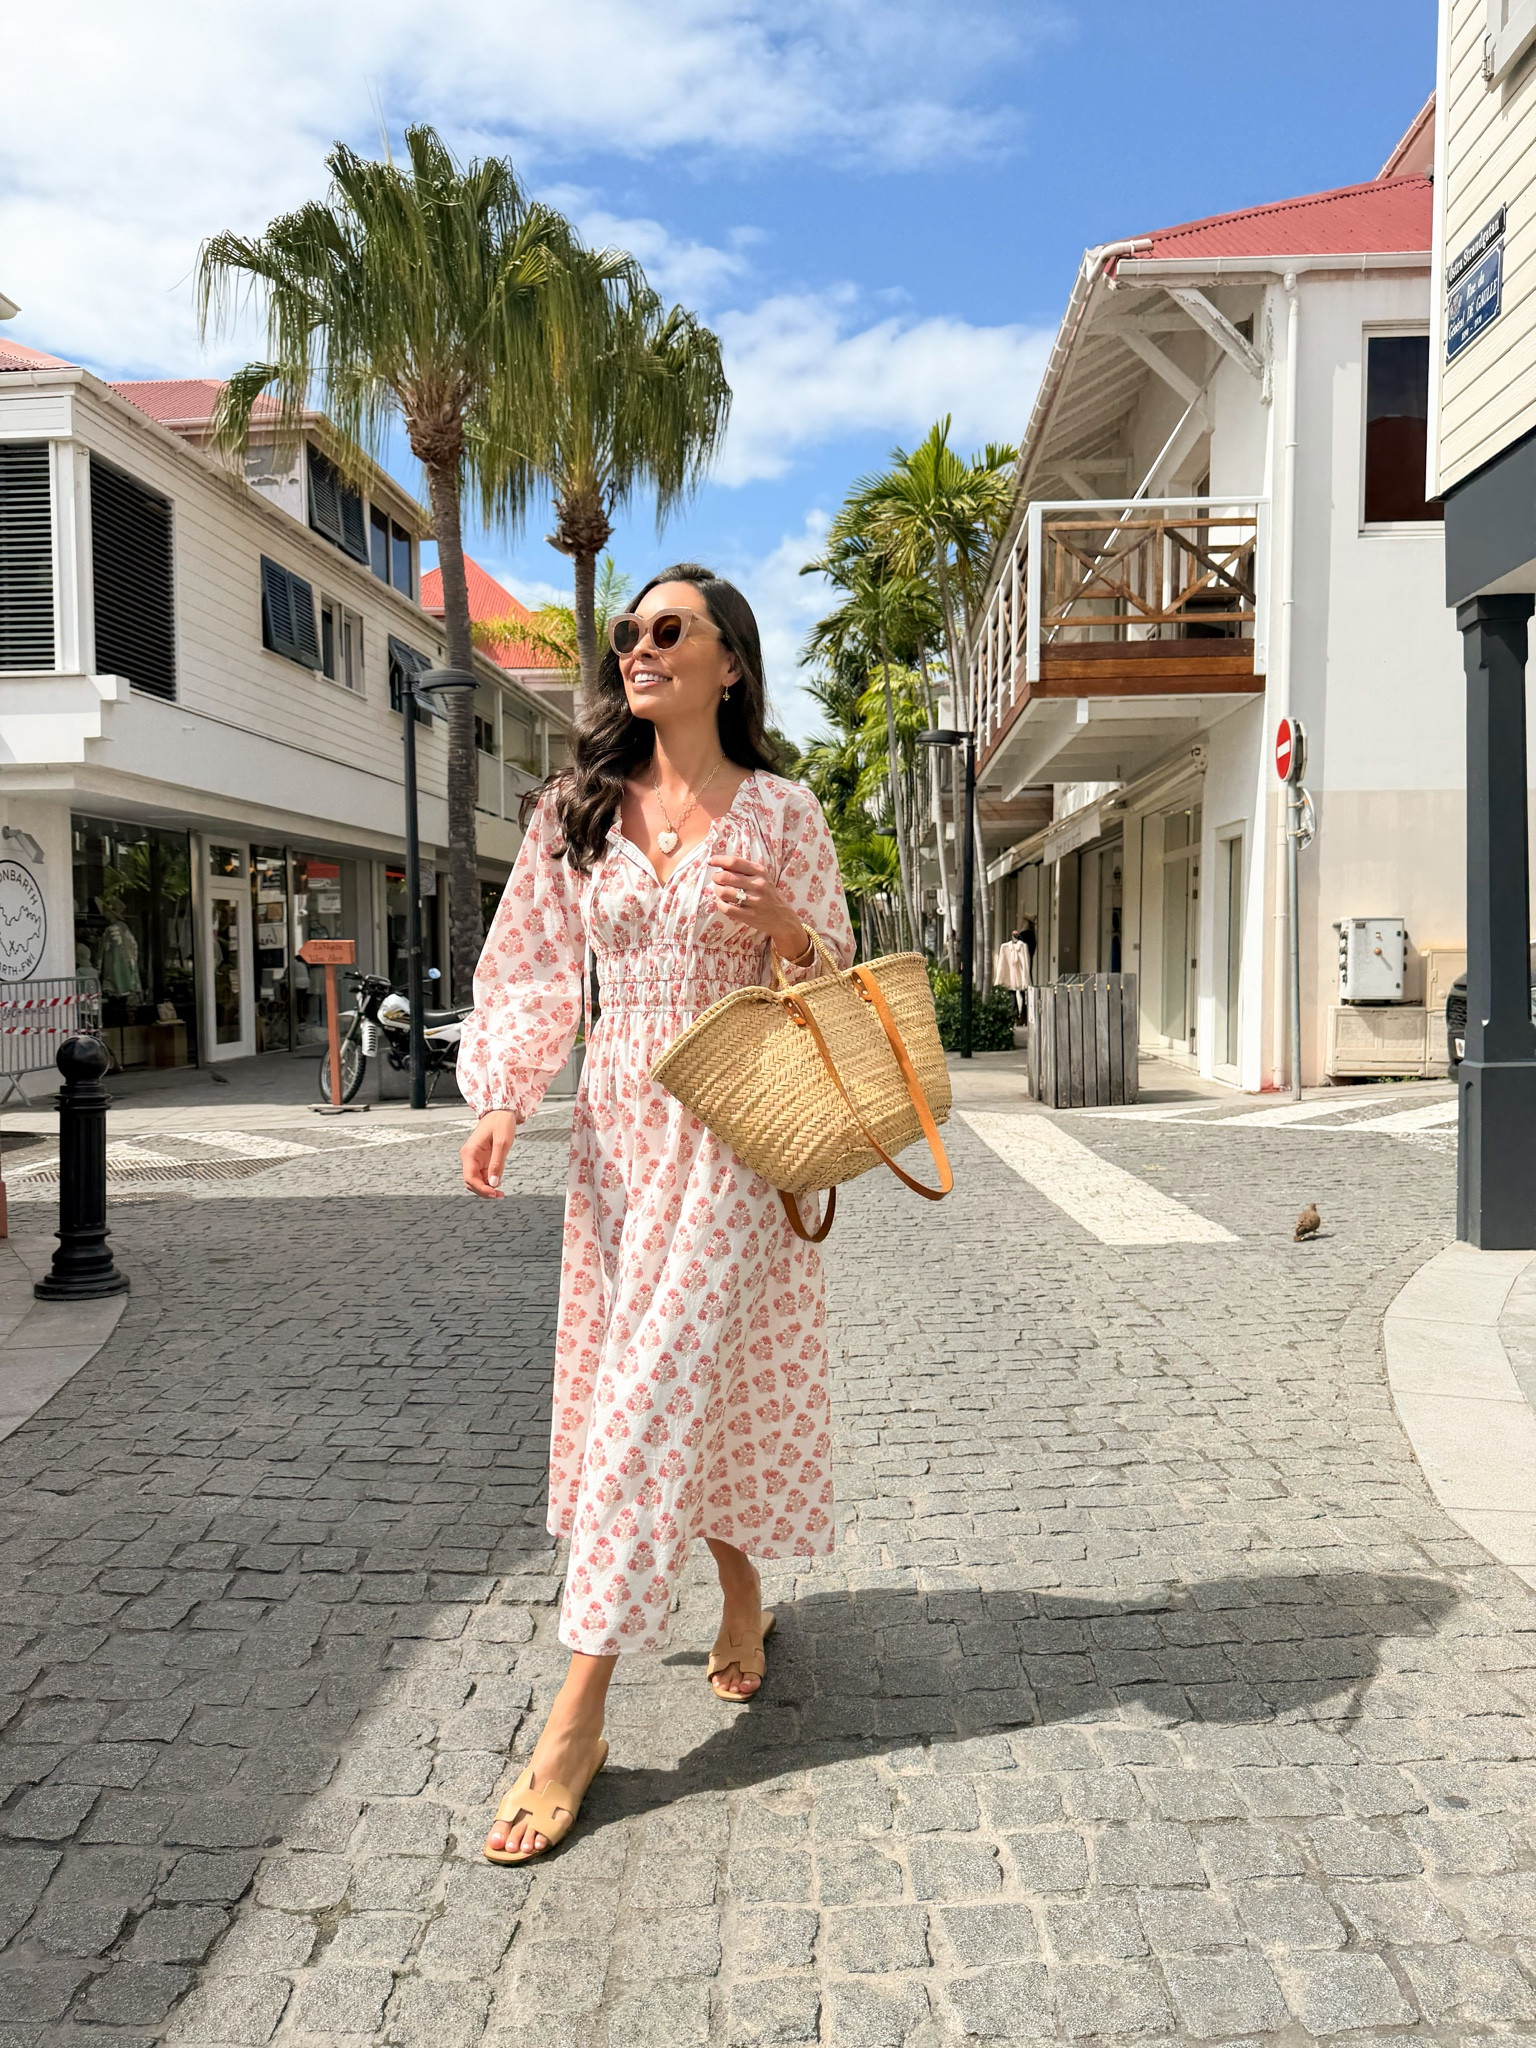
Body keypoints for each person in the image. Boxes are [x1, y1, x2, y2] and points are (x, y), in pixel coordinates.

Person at [458, 564, 855, 1864]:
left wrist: (792, 927)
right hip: (616, 1148)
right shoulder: (578, 810)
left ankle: (576, 1716)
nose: (640, 646)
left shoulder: (785, 811)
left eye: (668, 629)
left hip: (732, 1135)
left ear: (730, 661)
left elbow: (838, 971)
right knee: (698, 1383)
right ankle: (741, 1591)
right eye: (629, 631)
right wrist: (507, 1094)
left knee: (644, 1402)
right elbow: (527, 959)